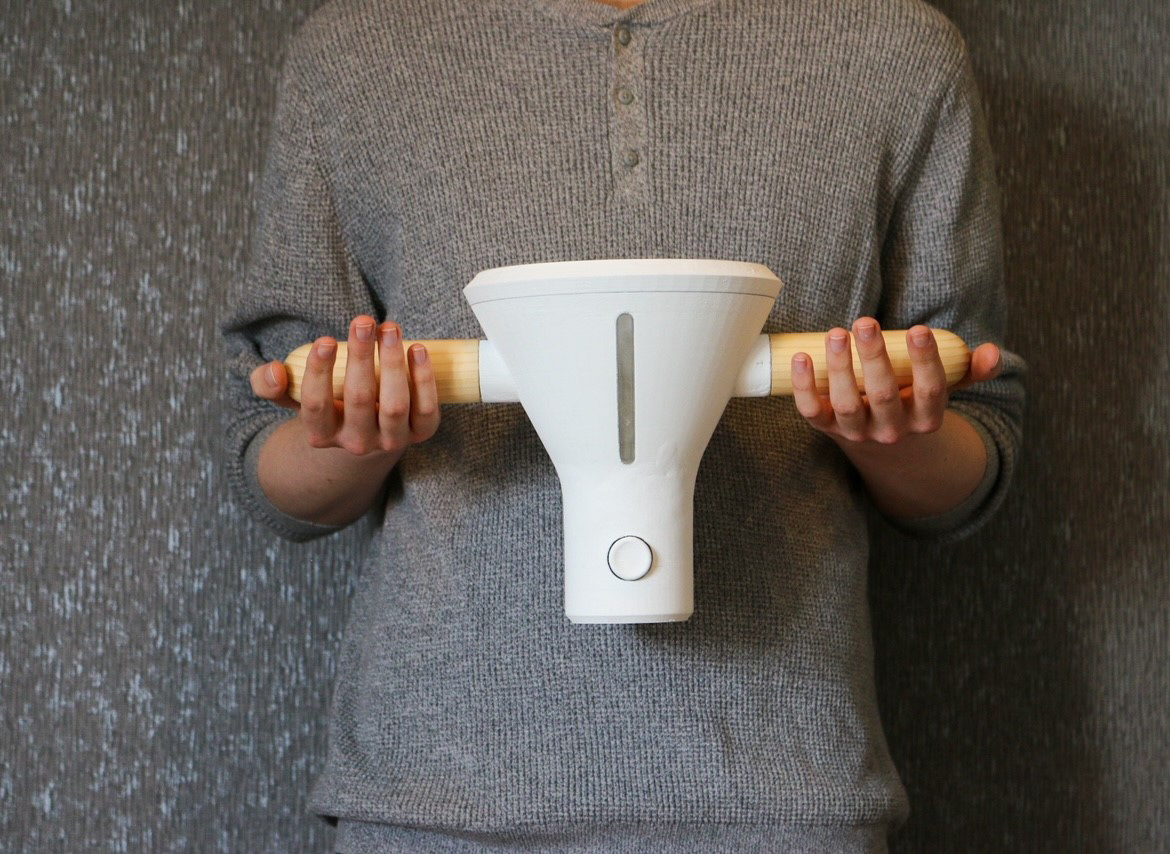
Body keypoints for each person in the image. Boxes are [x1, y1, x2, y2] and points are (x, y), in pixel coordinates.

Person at [222, 0, 1025, 849]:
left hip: (784, 799)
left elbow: (977, 450)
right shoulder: (356, 53)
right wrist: (352, 436)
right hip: (438, 804)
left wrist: (892, 433)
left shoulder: (894, 48)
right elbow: (264, 452)